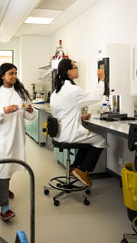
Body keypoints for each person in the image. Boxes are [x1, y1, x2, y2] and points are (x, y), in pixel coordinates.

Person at [0, 63, 35, 221]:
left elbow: (29, 115)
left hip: (17, 135)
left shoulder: (19, 92)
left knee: (10, 165)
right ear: (2, 75)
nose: (14, 76)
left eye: (15, 73)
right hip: (1, 137)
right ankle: (4, 207)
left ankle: (6, 189)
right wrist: (2, 111)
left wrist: (30, 111)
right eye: (10, 73)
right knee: (3, 168)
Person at [50, 58, 106, 187]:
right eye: (75, 67)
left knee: (89, 141)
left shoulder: (57, 91)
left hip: (60, 134)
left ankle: (74, 167)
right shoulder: (73, 90)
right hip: (69, 134)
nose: (77, 69)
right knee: (100, 141)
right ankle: (82, 171)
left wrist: (80, 117)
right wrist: (101, 79)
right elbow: (96, 96)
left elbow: (62, 113)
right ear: (69, 72)